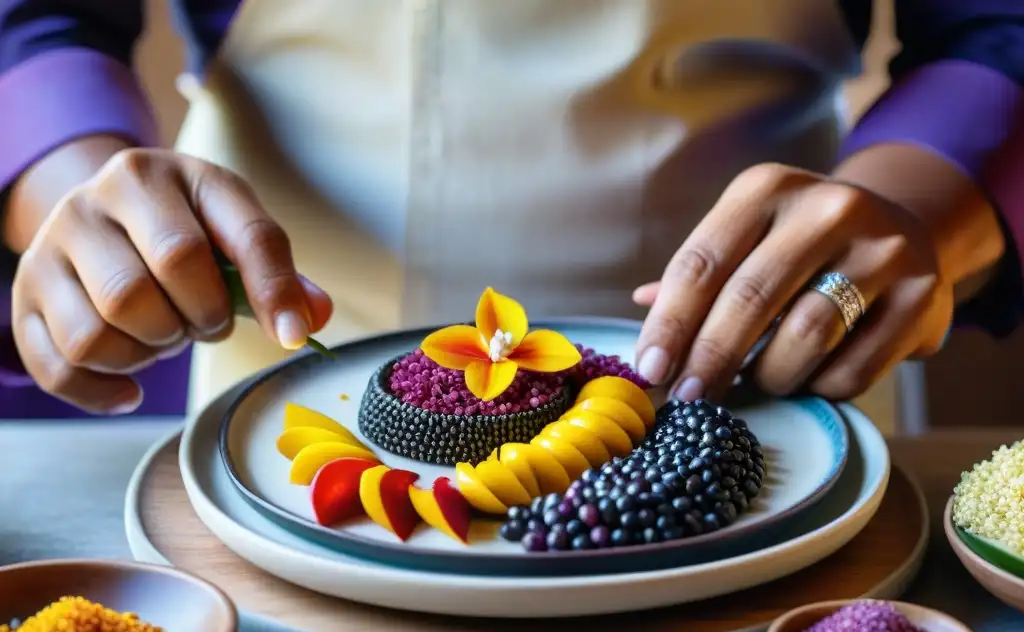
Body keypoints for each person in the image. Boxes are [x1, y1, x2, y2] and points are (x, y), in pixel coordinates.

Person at [0, 1, 1021, 427]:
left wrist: (914, 216)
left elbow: (996, 28)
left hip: (769, 379)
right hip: (292, 398)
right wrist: (80, 199)